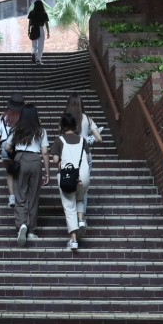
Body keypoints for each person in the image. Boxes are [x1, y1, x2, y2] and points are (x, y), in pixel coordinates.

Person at [5, 105, 49, 246]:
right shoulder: (41, 131)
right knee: (34, 195)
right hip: (36, 161)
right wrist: (47, 172)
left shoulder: (17, 130)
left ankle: (22, 225)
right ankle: (31, 230)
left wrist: (14, 153)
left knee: (20, 194)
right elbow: (45, 152)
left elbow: (7, 147)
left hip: (20, 160)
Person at [50, 113, 91, 251]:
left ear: (62, 125)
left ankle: (73, 240)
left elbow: (55, 160)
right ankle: (81, 220)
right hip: (83, 176)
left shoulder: (59, 140)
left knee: (69, 206)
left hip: (68, 176)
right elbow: (86, 157)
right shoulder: (82, 140)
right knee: (79, 198)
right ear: (75, 125)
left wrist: (61, 160)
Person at [64, 93, 102, 225]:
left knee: (70, 184)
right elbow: (99, 138)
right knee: (84, 187)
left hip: (70, 156)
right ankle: (82, 218)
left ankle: (73, 218)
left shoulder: (66, 120)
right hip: (85, 155)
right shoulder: (87, 119)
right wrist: (88, 139)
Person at [0, 94, 24, 208]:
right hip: (19, 147)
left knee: (10, 172)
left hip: (5, 147)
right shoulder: (23, 117)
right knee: (21, 171)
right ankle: (21, 195)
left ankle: (12, 197)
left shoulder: (3, 117)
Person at [27, 0, 51, 65]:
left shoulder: (32, 12)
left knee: (34, 45)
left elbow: (30, 22)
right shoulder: (44, 13)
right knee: (41, 45)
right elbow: (46, 23)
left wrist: (28, 30)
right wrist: (48, 32)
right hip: (40, 29)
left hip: (33, 29)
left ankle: (33, 53)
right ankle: (38, 60)